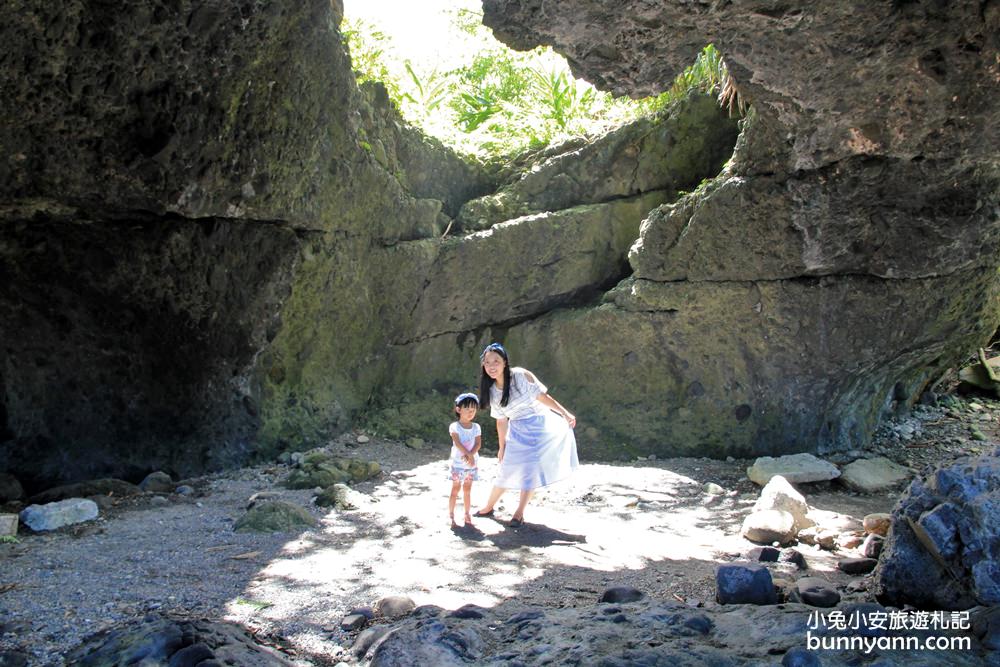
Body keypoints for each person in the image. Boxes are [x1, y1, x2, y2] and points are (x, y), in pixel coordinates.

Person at [473, 342, 578, 527]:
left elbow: (542, 397)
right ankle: (488, 507)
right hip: (518, 430)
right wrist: (502, 447)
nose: (491, 366)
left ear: (505, 362)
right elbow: (501, 420)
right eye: (487, 362)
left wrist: (564, 412)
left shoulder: (520, 375)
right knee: (507, 468)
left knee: (529, 471)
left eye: (496, 361)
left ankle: (519, 513)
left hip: (539, 426)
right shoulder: (492, 391)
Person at [448, 392, 482, 526]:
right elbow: (457, 443)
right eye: (467, 409)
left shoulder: (477, 427)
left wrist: (472, 455)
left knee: (467, 490)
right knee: (455, 490)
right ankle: (451, 515)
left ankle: (467, 514)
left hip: (471, 466)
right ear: (458, 409)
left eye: (473, 409)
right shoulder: (454, 426)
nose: (471, 412)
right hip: (457, 465)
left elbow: (478, 443)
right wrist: (469, 455)